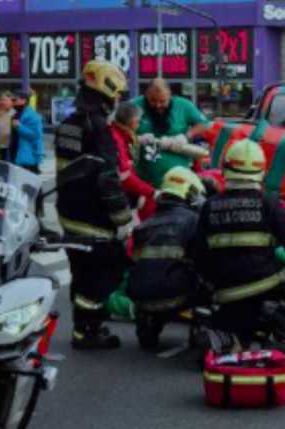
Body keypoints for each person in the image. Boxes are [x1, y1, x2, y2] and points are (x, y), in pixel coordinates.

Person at [193, 139, 285, 349]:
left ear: (226, 168)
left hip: (225, 292)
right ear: (261, 171)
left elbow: (198, 253)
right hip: (266, 286)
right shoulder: (268, 204)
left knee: (237, 326)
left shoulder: (209, 206)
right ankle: (281, 327)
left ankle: (225, 338)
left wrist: (211, 284)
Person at [54, 59, 133, 350]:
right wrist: (123, 218)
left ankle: (81, 327)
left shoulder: (67, 125)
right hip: (94, 217)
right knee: (105, 272)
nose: (118, 100)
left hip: (68, 213)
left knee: (81, 272)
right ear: (107, 90)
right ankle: (89, 330)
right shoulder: (99, 129)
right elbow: (107, 179)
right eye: (117, 94)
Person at [128, 166, 205, 350]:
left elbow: (135, 263)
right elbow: (203, 261)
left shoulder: (143, 226)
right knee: (210, 276)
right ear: (191, 194)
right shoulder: (194, 221)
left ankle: (148, 327)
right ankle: (202, 331)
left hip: (141, 298)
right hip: (176, 296)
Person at [131, 79, 210, 186]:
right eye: (153, 100)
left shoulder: (183, 105)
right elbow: (117, 126)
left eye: (162, 101)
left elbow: (204, 124)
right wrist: (136, 139)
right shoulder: (134, 105)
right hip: (144, 178)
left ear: (170, 95)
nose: (158, 105)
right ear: (146, 95)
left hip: (179, 178)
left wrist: (185, 136)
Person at [110, 102, 157, 220]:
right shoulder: (116, 139)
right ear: (131, 122)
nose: (139, 125)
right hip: (116, 196)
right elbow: (125, 176)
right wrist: (151, 192)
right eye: (138, 121)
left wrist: (139, 140)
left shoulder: (118, 133)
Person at [11, 91, 44, 174]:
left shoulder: (33, 116)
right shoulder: (15, 113)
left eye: (15, 100)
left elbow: (35, 135)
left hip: (28, 157)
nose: (13, 102)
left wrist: (19, 126)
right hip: (16, 154)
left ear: (24, 101)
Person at [0, 92, 16, 162]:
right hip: (0, 145)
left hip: (10, 145)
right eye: (2, 100)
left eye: (5, 100)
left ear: (11, 101)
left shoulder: (15, 112)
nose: (3, 102)